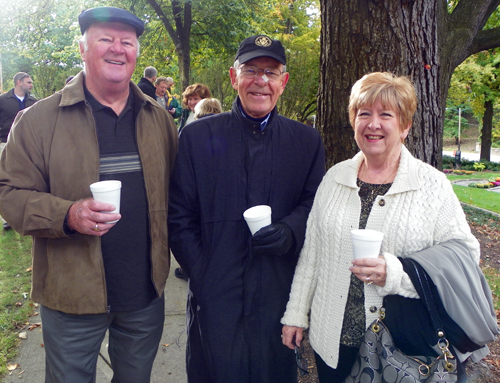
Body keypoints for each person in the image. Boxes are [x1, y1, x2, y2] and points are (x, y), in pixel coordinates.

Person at [281, 72, 499, 382]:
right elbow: (312, 255)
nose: (373, 124)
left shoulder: (431, 185)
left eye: (386, 115)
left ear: (405, 125)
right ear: (354, 120)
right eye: (364, 113)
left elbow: (466, 256)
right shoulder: (334, 179)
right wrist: (295, 315)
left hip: (402, 349)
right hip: (333, 342)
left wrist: (395, 274)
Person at [0, 7, 178, 383]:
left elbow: (177, 194)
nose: (118, 49)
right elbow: (9, 193)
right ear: (82, 48)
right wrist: (67, 215)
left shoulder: (158, 119)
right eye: (105, 39)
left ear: (135, 53)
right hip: (71, 296)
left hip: (144, 293)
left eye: (127, 42)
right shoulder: (38, 120)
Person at [168, 35, 325, 383]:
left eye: (271, 72)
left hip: (277, 289)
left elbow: (315, 204)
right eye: (251, 69)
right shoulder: (197, 138)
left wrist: (289, 230)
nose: (261, 80)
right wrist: (203, 272)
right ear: (233, 76)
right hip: (216, 292)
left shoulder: (306, 141)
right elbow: (178, 216)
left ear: (283, 82)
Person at [0, 72, 37, 230]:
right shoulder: (2, 101)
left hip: (28, 145)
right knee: (5, 179)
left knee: (28, 178)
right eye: (28, 82)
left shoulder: (34, 102)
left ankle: (30, 213)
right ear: (18, 83)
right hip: (5, 143)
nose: (31, 84)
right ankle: (6, 219)